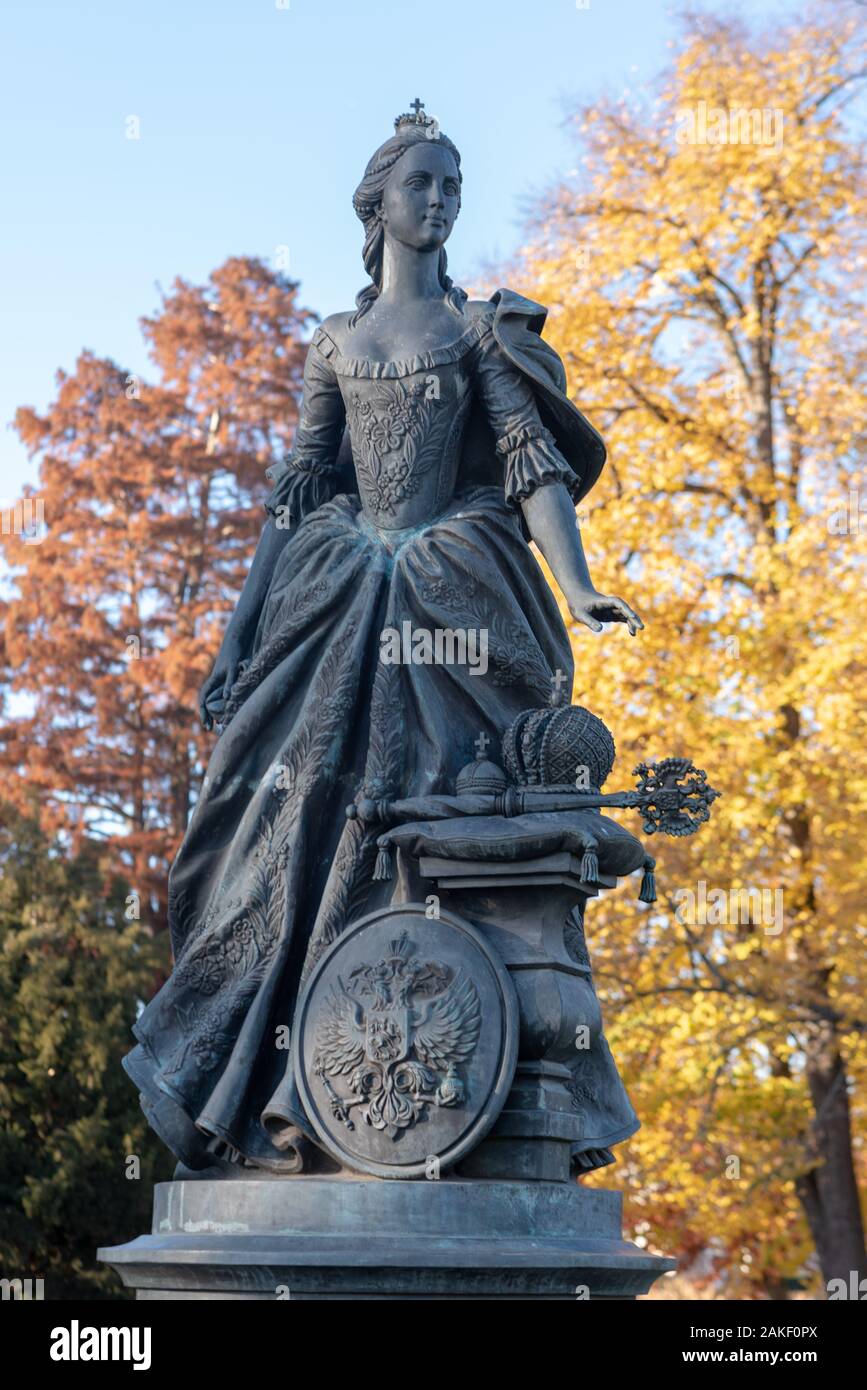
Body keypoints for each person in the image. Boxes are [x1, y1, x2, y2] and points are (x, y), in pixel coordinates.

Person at [124, 104, 643, 1173]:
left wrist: (579, 585)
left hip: (456, 584)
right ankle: (275, 1072)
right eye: (422, 184)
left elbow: (525, 461)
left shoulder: (477, 331)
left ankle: (436, 1066)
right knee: (281, 811)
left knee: (444, 811)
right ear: (379, 204)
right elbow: (297, 494)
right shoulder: (334, 345)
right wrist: (235, 636)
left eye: (454, 185)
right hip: (335, 589)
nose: (441, 200)